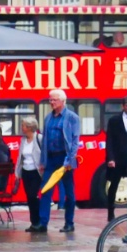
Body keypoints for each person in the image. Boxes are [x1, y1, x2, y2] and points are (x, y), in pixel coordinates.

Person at [41, 88, 81, 233]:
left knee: (69, 193)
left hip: (65, 159)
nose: (51, 102)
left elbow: (75, 140)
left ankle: (69, 223)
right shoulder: (48, 118)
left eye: (54, 99)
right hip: (51, 159)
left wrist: (70, 160)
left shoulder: (72, 117)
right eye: (50, 99)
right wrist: (42, 161)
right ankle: (43, 223)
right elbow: (45, 140)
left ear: (63, 101)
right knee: (45, 190)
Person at [103, 101, 127, 222]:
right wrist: (111, 158)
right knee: (113, 185)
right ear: (123, 106)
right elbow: (109, 140)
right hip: (118, 159)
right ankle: (110, 212)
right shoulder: (114, 120)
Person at [19, 118, 45, 233]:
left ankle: (39, 221)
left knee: (33, 196)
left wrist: (43, 165)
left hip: (36, 172)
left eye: (23, 125)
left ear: (29, 127)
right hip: (26, 171)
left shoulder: (39, 138)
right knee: (29, 198)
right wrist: (17, 173)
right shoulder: (23, 140)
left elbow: (45, 154)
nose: (21, 127)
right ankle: (34, 223)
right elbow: (20, 157)